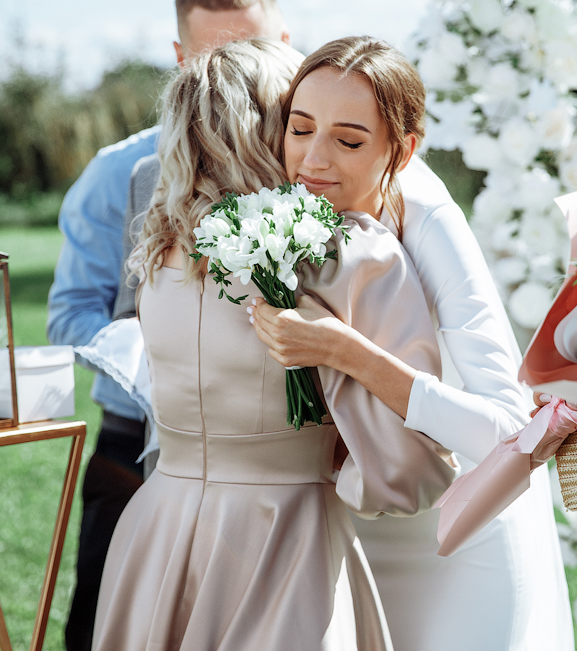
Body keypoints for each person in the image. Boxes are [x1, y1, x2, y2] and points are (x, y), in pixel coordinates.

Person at [91, 37, 456, 650]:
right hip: (287, 540)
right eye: (297, 121)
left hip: (157, 530)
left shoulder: (160, 251)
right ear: (271, 128)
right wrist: (336, 466)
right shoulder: (341, 254)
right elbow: (413, 471)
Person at [249, 36, 573, 651]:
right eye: (299, 129)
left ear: (401, 151)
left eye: (348, 141)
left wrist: (347, 353)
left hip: (461, 534)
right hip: (350, 533)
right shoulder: (274, 217)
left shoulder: (426, 219)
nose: (313, 161)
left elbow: (511, 433)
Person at [46, 0, 289, 651]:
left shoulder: (310, 163)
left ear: (287, 41)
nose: (237, 75)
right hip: (140, 445)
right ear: (181, 60)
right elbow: (71, 315)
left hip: (274, 461)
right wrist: (169, 362)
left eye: (257, 50)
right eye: (217, 57)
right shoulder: (122, 174)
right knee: (110, 626)